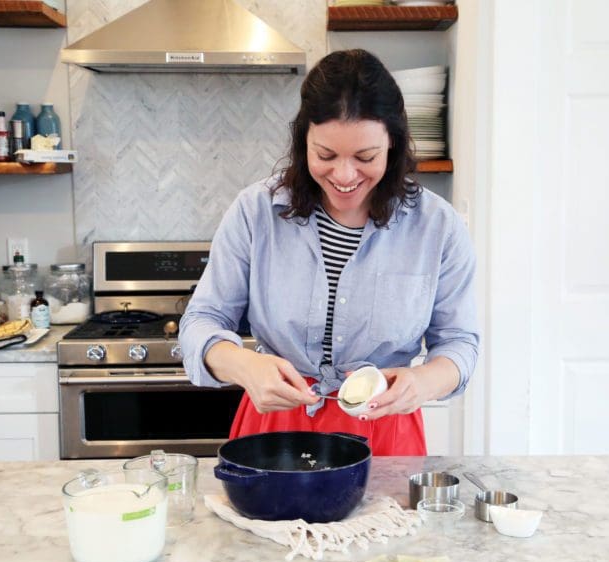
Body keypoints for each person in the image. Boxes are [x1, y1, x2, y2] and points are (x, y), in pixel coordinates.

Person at [179, 49, 479, 456]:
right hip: (273, 432)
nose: (344, 175)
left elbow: (459, 342)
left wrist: (423, 382)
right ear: (303, 140)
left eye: (365, 157)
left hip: (385, 433)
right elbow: (201, 321)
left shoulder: (437, 227)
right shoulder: (256, 212)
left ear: (393, 143)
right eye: (325, 155)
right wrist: (244, 365)